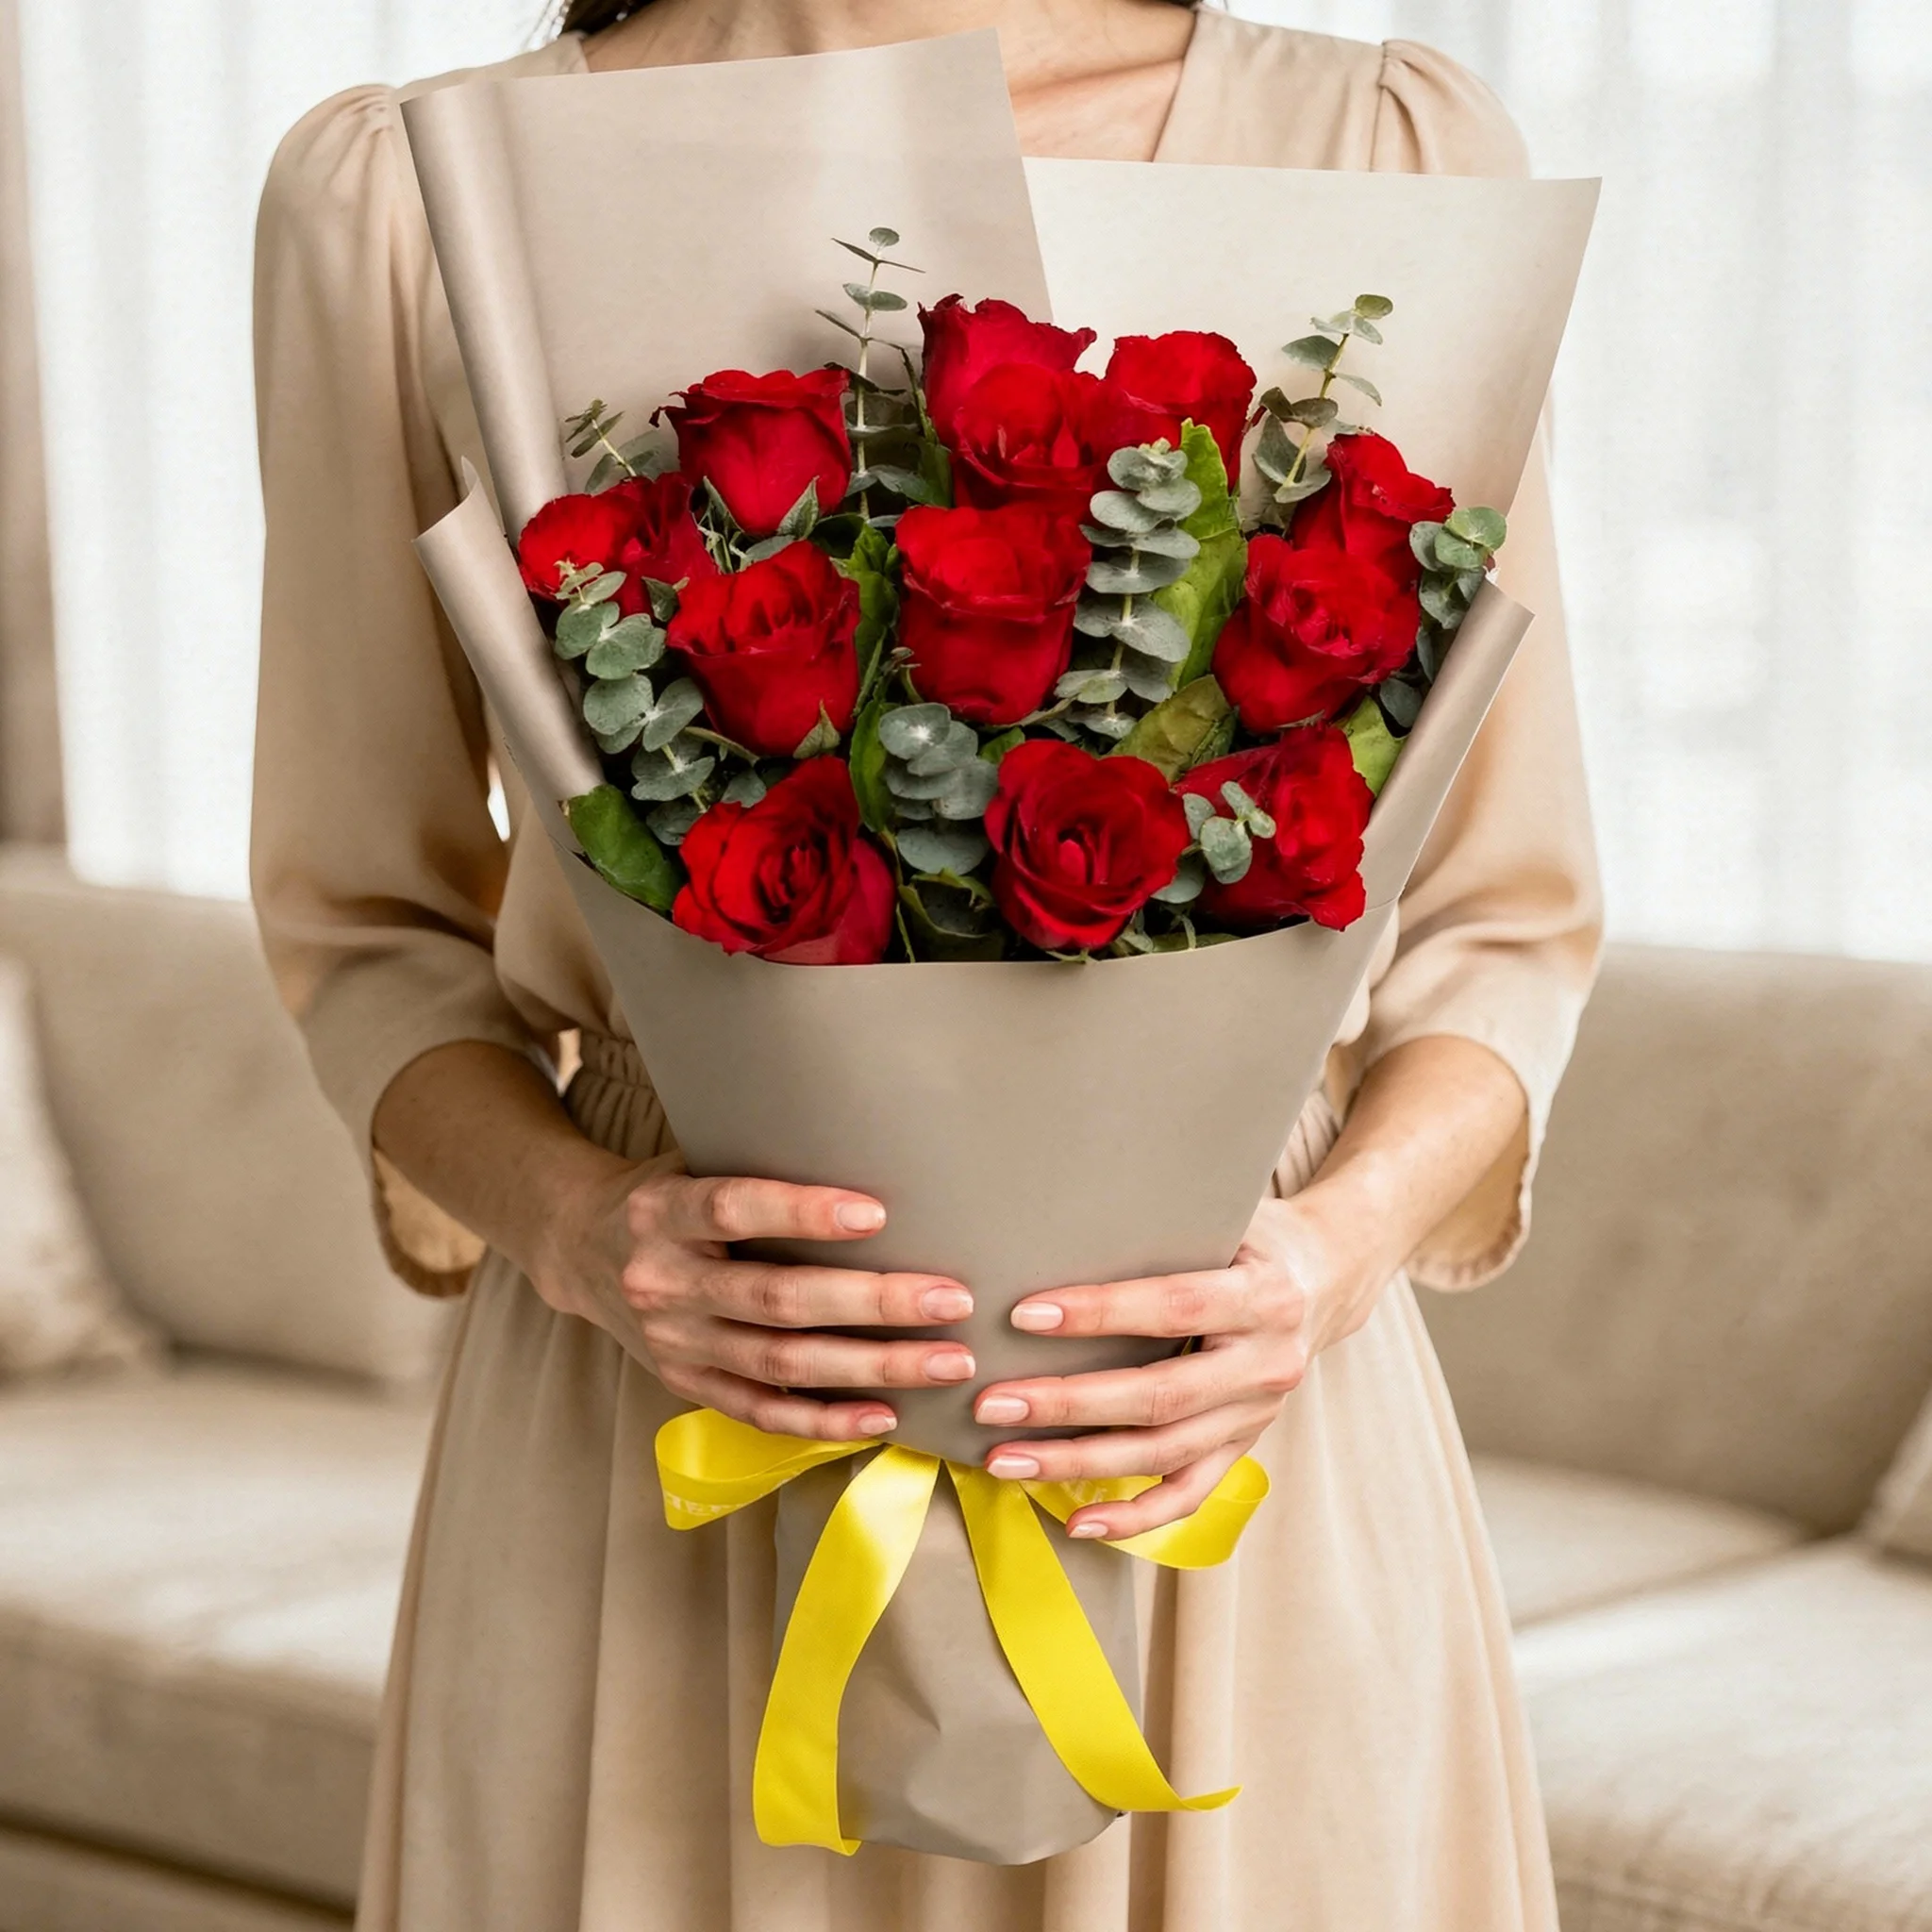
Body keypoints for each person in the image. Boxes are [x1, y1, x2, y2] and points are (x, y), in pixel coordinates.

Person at [251, 0, 1600, 1925]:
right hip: (661, 1424)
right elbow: (362, 925)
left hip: (1229, 1424)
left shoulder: (1392, 147)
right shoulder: (404, 196)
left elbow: (1504, 917)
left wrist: (1324, 1255)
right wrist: (576, 1229)